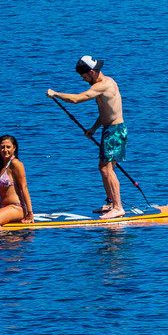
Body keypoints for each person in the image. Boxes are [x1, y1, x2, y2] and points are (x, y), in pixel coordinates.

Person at [47, 54, 127, 217]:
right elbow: (107, 111)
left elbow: (76, 99)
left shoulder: (102, 86)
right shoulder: (107, 82)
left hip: (114, 132)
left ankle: (118, 208)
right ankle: (111, 203)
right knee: (104, 168)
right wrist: (94, 128)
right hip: (110, 130)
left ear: (92, 72)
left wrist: (55, 93)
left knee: (107, 169)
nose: (83, 80)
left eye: (84, 76)